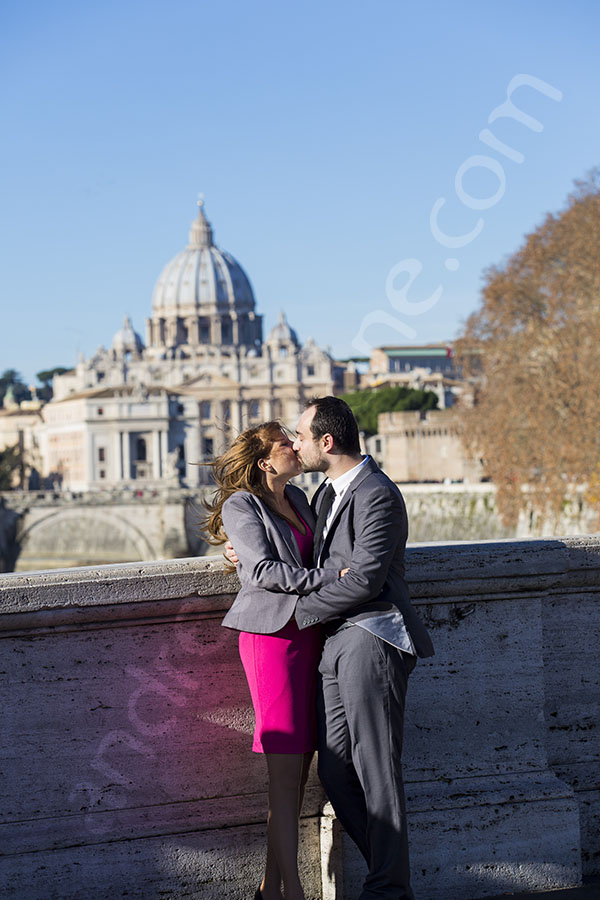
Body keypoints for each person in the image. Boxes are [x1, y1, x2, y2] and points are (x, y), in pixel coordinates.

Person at [227, 397, 434, 900]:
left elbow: (364, 579)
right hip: (331, 642)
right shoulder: (319, 497)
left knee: (377, 770)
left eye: (299, 436)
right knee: (337, 774)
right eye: (287, 441)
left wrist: (301, 616)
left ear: (326, 441)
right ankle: (388, 873)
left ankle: (390, 889)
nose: (295, 445)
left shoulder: (377, 493)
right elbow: (277, 550)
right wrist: (238, 553)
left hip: (371, 634)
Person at [203, 421, 346, 900]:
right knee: (284, 778)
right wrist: (327, 579)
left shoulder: (302, 500)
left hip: (307, 637)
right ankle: (294, 895)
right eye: (287, 443)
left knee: (296, 778)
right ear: (266, 461)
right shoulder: (241, 504)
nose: (296, 446)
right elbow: (263, 570)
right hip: (272, 642)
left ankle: (271, 889)